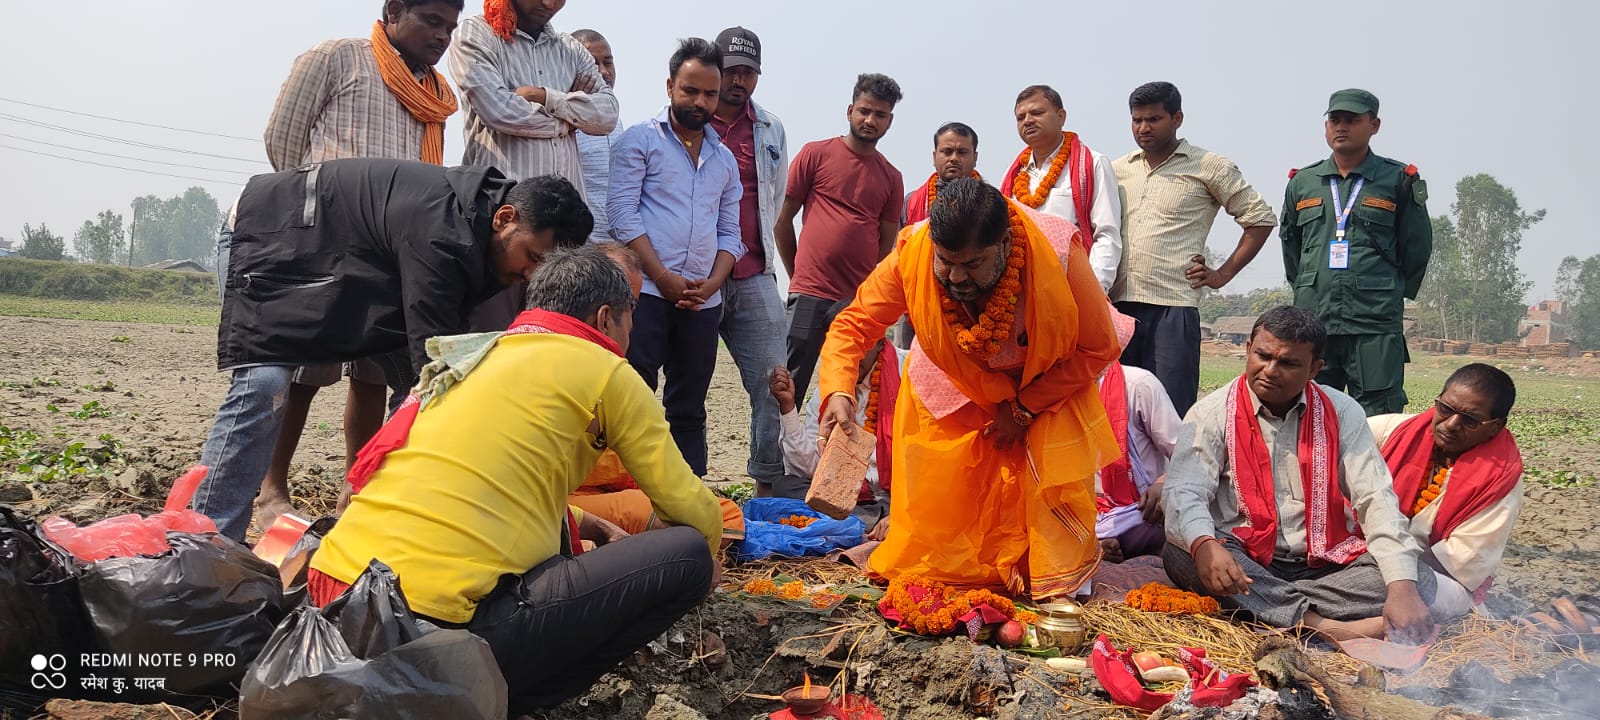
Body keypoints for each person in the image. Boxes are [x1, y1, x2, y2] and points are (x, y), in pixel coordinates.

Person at [308, 244, 723, 715]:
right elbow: (687, 503)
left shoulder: (474, 355)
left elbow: (478, 485)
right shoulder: (604, 369)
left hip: (339, 599)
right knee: (688, 553)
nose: (632, 334)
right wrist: (709, 560)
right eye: (632, 320)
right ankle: (504, 702)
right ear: (606, 318)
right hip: (435, 630)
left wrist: (585, 522)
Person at [195, 159, 592, 541]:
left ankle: (375, 516)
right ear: (505, 218)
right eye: (532, 258)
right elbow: (434, 364)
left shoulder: (480, 227)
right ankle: (205, 538)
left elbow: (441, 356)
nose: (530, 275)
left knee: (412, 387)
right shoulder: (443, 229)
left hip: (344, 257)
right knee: (265, 381)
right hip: (272, 230)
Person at [818, 179, 1121, 599]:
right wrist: (838, 391)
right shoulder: (914, 250)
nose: (957, 277)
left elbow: (1099, 347)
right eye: (946, 262)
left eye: (973, 264)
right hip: (947, 383)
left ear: (1005, 243)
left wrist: (1025, 407)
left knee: (1040, 532)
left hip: (1044, 386)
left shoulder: (1058, 251)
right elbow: (855, 324)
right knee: (941, 537)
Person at [252, 0, 463, 531]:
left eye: (450, 27)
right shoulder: (336, 57)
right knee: (304, 369)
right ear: (394, 10)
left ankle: (357, 487)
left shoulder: (435, 95)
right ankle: (271, 490)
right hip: (325, 239)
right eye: (432, 21)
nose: (443, 36)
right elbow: (283, 143)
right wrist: (322, 209)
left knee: (372, 374)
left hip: (392, 250)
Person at [1162, 306, 1436, 642]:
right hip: (1243, 555)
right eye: (1262, 356)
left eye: (1288, 363)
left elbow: (1374, 497)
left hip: (1323, 563)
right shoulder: (1211, 412)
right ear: (1248, 349)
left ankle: (1267, 608)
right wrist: (1205, 545)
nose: (1270, 371)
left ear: (1314, 369)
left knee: (1418, 578)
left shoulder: (1342, 411)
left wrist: (1402, 587)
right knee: (1182, 553)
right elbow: (1186, 492)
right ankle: (1325, 627)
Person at [607, 38, 743, 477]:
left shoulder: (724, 160)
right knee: (633, 394)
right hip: (646, 292)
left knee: (688, 406)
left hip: (702, 301)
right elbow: (622, 215)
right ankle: (625, 491)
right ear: (670, 87)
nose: (700, 102)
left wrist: (713, 284)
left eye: (709, 94)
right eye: (690, 90)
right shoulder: (640, 141)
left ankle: (689, 496)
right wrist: (662, 277)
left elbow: (730, 232)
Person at [448, 0, 618, 330]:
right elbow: (499, 111)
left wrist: (546, 97)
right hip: (500, 231)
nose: (549, 3)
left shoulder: (571, 49)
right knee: (492, 343)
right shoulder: (477, 34)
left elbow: (607, 114)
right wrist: (571, 117)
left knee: (553, 342)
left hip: (564, 241)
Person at [1111, 82, 1277, 417]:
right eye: (1137, 120)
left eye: (1153, 119)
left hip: (1173, 306)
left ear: (1177, 119)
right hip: (1118, 307)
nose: (1143, 128)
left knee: (1171, 412)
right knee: (1118, 408)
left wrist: (1222, 275)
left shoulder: (1209, 166)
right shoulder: (1117, 169)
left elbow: (1260, 219)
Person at [1282, 89, 1432, 416]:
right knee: (1310, 408)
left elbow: (1417, 246)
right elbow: (1291, 248)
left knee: (1379, 410)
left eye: (1352, 120)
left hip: (1374, 320)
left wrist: (1390, 289)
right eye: (1334, 119)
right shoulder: (1302, 182)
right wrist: (1309, 285)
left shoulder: (1398, 180)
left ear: (1374, 125)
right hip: (1314, 318)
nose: (1341, 127)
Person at [776, 73, 905, 404]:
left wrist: (866, 289)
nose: (870, 120)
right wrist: (797, 273)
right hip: (809, 291)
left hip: (856, 300)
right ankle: (778, 441)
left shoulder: (891, 177)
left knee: (852, 386)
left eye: (880, 114)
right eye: (864, 111)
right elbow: (782, 219)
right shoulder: (815, 154)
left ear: (890, 121)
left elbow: (885, 244)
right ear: (850, 111)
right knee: (789, 385)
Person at [1370, 363, 1523, 621]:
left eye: (1470, 420)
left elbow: (1455, 563)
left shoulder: (1501, 481)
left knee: (1373, 581)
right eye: (1445, 409)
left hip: (1435, 578)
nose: (1451, 424)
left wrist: (1384, 559)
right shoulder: (1394, 431)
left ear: (1496, 426)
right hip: (1366, 554)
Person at [706, 26, 791, 490]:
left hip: (755, 272)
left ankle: (766, 486)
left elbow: (773, 199)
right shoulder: (691, 121)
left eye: (749, 72)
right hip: (697, 275)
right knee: (688, 384)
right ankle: (684, 488)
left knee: (773, 383)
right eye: (732, 70)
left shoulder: (770, 128)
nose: (739, 81)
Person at [770, 333, 898, 540]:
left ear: (880, 341)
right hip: (846, 498)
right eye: (842, 347)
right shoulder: (827, 391)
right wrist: (788, 407)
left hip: (901, 495)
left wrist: (903, 511)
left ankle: (869, 523)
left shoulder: (906, 371)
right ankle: (868, 524)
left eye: (858, 343)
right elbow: (809, 469)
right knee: (785, 486)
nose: (850, 356)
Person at [1001, 85, 1121, 292]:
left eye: (1037, 112)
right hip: (1022, 290)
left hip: (1072, 286)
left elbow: (1106, 234)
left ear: (1061, 117)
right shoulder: (1012, 175)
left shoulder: (1091, 164)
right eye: (1020, 117)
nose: (1027, 121)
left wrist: (1094, 291)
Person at [1095, 309, 1183, 564]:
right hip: (1083, 521)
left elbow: (1186, 453)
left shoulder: (1138, 384)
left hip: (1141, 513)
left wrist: (1164, 483)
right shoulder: (1049, 394)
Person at [572, 28, 623, 244]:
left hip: (620, 250)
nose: (604, 72)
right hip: (580, 249)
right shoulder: (560, 123)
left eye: (608, 63)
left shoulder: (617, 123)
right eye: (593, 64)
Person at [904, 122, 980, 225]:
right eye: (947, 152)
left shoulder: (990, 202)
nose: (954, 158)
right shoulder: (911, 202)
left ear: (975, 158)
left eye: (962, 152)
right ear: (934, 157)